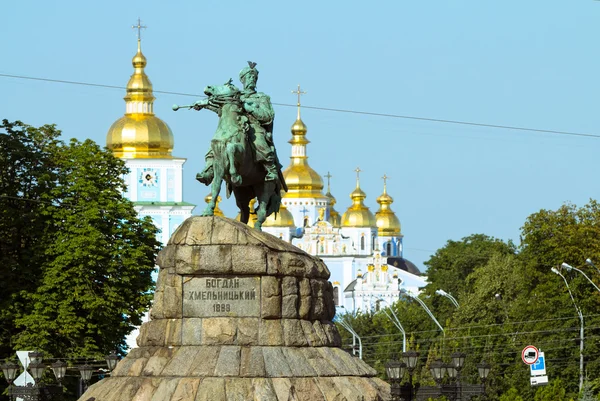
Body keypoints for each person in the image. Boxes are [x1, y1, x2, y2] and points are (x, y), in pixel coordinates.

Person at [196, 61, 280, 184]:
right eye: (248, 77)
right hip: (234, 126)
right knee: (215, 144)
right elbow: (222, 109)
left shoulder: (261, 97)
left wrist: (250, 108)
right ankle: (209, 170)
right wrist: (204, 104)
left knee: (260, 143)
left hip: (253, 127)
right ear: (242, 80)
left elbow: (267, 116)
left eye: (254, 77)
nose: (251, 79)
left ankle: (270, 170)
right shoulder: (234, 95)